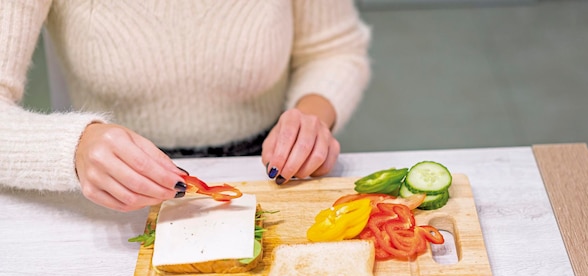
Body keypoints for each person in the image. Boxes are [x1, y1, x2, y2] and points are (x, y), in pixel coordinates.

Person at [0, 1, 371, 212]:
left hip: (270, 175)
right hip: (112, 198)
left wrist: (311, 117)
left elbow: (333, 49)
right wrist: (74, 148)